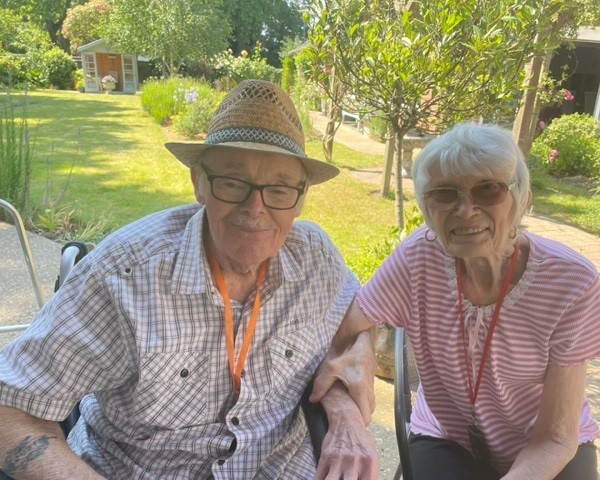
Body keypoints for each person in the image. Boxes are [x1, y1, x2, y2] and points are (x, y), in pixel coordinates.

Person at [0, 79, 377, 480]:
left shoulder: (316, 259)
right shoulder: (124, 275)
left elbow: (361, 323)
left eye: (280, 189)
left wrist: (343, 406)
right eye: (232, 183)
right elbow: (12, 406)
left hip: (276, 468)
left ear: (301, 199)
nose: (256, 208)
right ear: (199, 183)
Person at [313, 122, 600, 479]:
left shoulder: (571, 281)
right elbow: (349, 323)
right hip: (447, 433)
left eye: (488, 190)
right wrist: (362, 346)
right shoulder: (417, 259)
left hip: (543, 442)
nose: (466, 210)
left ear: (523, 201)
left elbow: (557, 437)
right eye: (445, 194)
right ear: (426, 206)